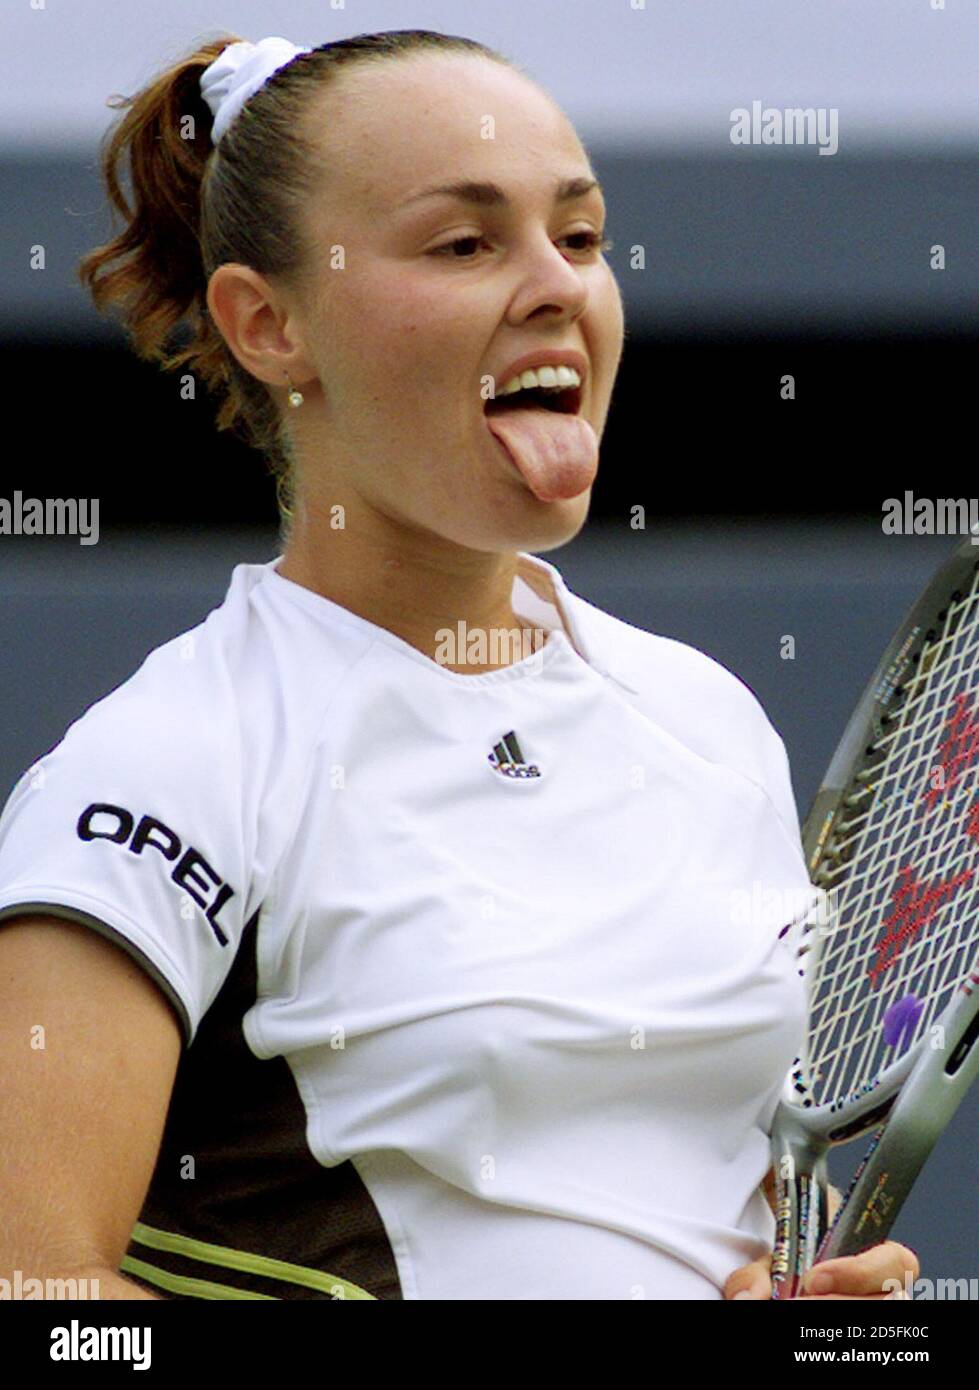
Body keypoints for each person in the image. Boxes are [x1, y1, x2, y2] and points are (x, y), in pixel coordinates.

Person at [0, 28, 917, 1301]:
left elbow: (724, 1211)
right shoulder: (164, 767)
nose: (556, 287)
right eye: (465, 244)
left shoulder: (707, 722)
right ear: (268, 323)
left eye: (581, 239)